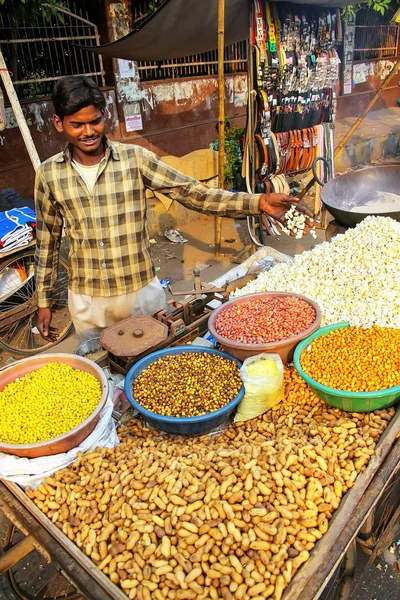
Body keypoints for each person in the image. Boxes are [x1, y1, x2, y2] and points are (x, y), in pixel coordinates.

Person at [35, 75, 309, 340]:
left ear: (104, 117)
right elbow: (47, 241)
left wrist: (258, 202)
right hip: (88, 299)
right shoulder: (49, 174)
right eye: (77, 125)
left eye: (95, 122)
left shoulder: (135, 159)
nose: (88, 132)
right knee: (101, 373)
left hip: (139, 293)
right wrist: (44, 301)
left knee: (153, 367)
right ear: (59, 123)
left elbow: (193, 193)